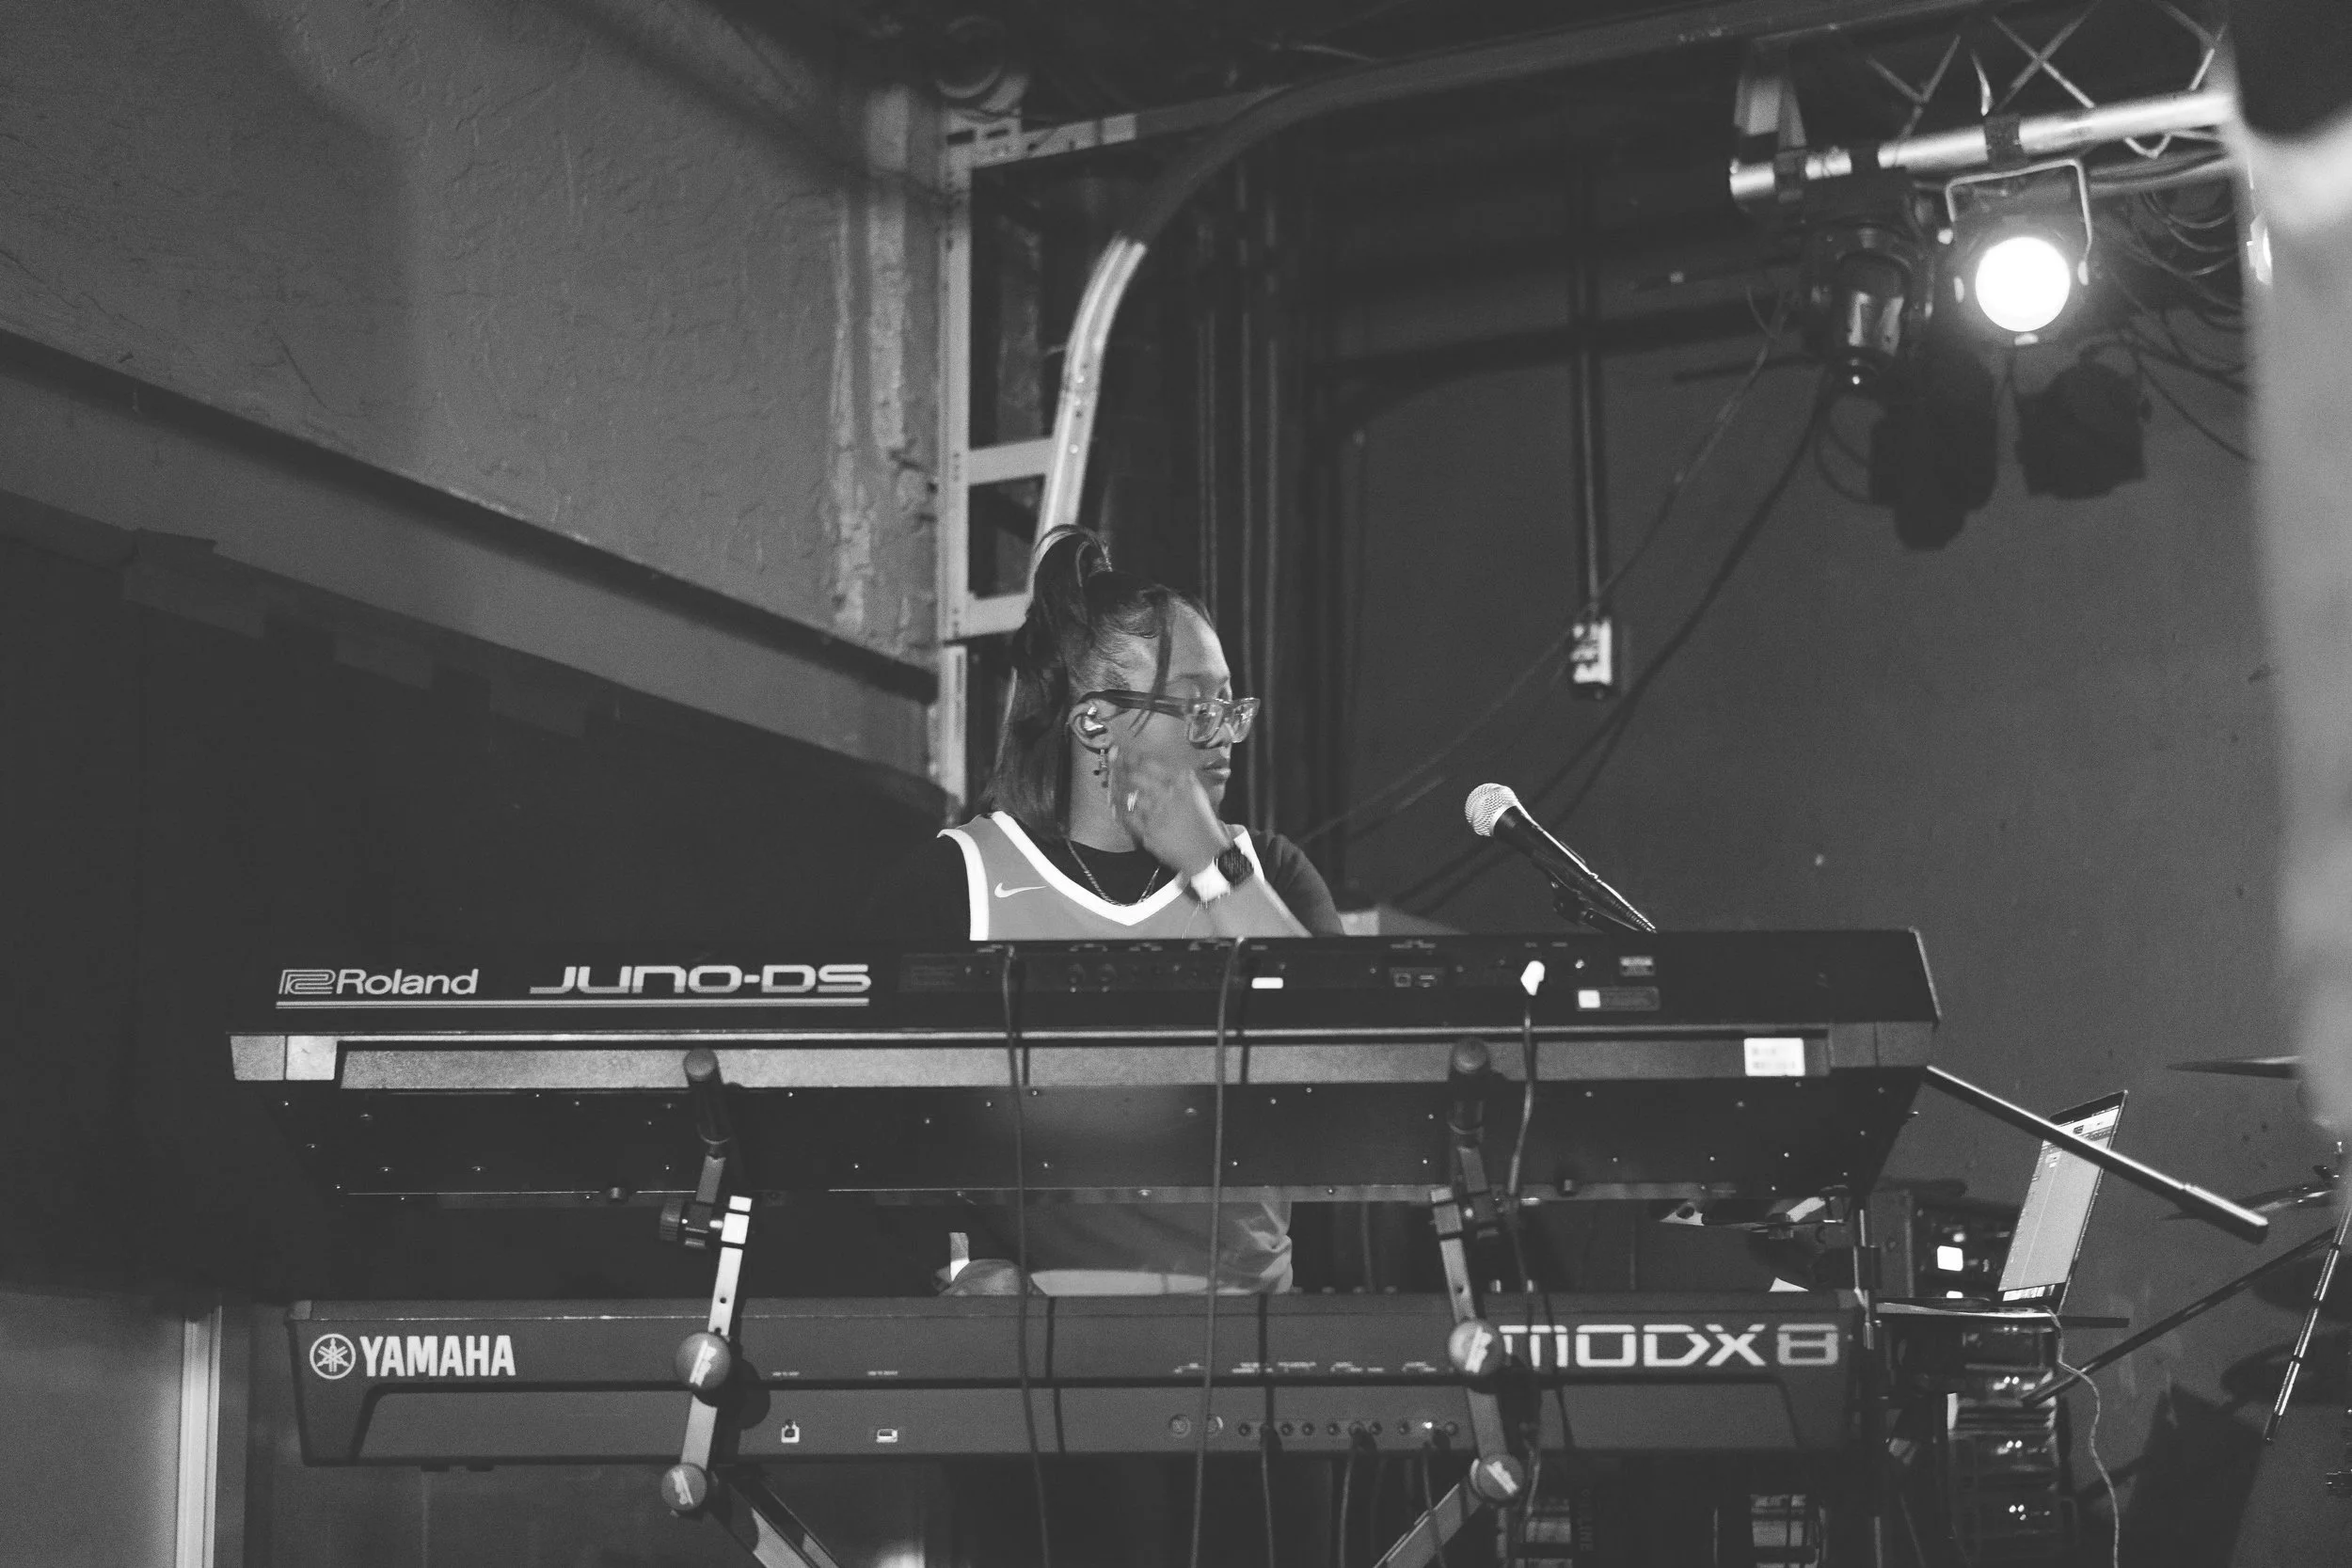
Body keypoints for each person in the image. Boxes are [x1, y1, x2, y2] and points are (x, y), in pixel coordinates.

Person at [860, 524, 1343, 1297]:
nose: (1224, 735)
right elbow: (868, 1131)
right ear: (1094, 722)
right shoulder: (962, 881)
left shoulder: (1269, 871)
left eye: (1231, 705)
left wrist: (1213, 868)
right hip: (1039, 1359)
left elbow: (1354, 1054)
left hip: (1253, 1343)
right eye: (1195, 704)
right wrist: (962, 1263)